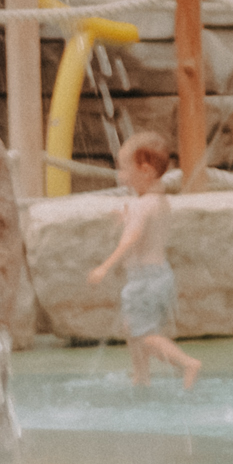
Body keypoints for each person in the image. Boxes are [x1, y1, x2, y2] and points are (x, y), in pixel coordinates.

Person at [86, 137, 200, 388]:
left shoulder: (141, 205)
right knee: (133, 328)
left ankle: (186, 364)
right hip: (160, 276)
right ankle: (141, 376)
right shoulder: (159, 202)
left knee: (146, 336)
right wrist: (128, 216)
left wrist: (105, 267)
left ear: (145, 171)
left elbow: (132, 239)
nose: (121, 176)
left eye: (124, 169)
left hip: (143, 281)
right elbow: (148, 231)